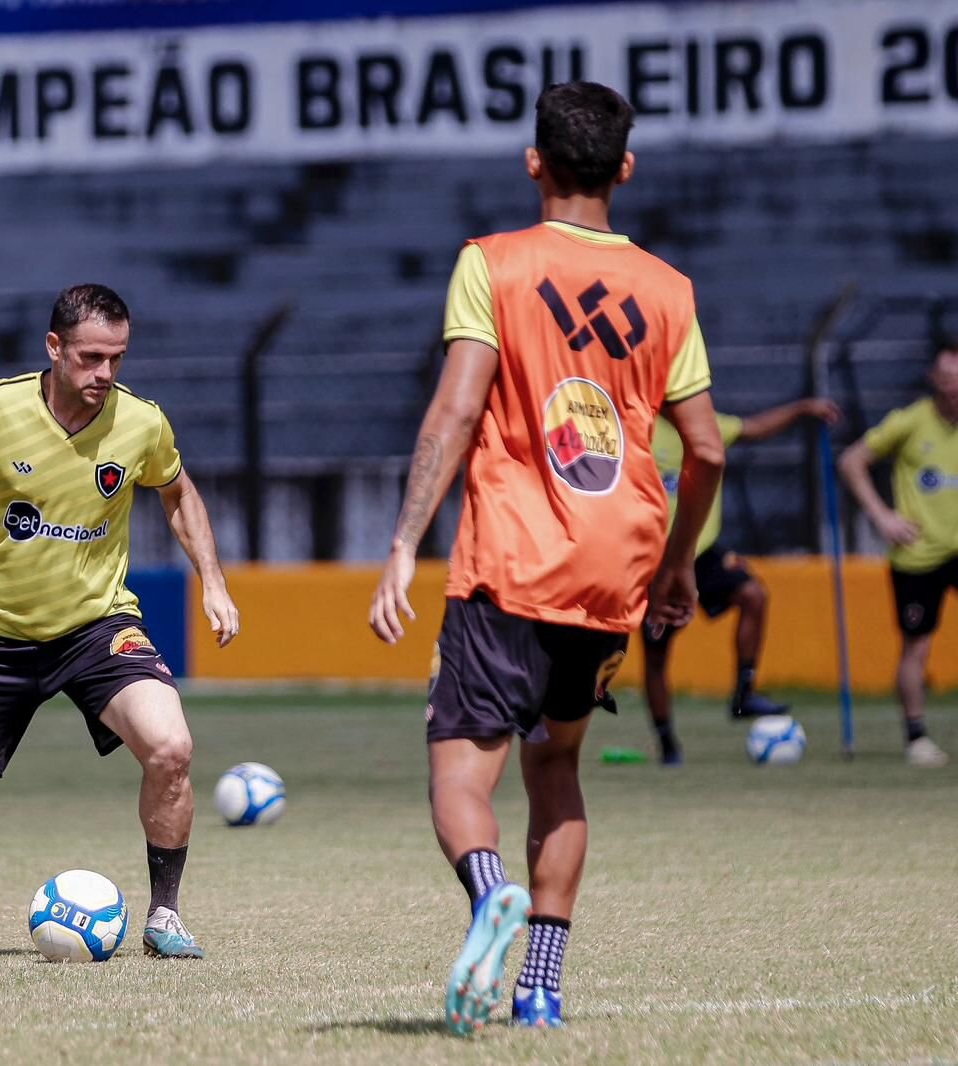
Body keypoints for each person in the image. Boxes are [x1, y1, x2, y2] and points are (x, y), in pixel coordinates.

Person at [368, 82, 726, 1034]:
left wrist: (405, 543)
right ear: (626, 167)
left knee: (459, 771)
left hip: (512, 564)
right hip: (616, 573)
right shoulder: (671, 290)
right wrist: (679, 565)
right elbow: (709, 449)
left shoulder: (495, 264)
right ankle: (542, 988)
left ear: (535, 163)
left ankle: (489, 893)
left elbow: (454, 409)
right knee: (558, 765)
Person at [0, 284, 240, 960]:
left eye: (117, 358)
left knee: (172, 749)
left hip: (97, 626)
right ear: (54, 348)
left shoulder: (142, 423)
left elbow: (178, 495)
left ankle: (165, 918)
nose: (105, 373)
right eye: (91, 357)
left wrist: (215, 582)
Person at [645, 398, 841, 764]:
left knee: (753, 595)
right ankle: (667, 741)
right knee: (656, 655)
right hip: (654, 562)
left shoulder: (705, 425)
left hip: (701, 550)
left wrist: (801, 410)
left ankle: (743, 692)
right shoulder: (637, 429)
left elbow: (756, 428)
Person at [837, 344, 958, 768]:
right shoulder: (910, 422)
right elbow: (852, 461)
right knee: (917, 646)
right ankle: (916, 737)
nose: (955, 386)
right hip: (919, 555)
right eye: (947, 377)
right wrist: (882, 516)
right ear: (934, 380)